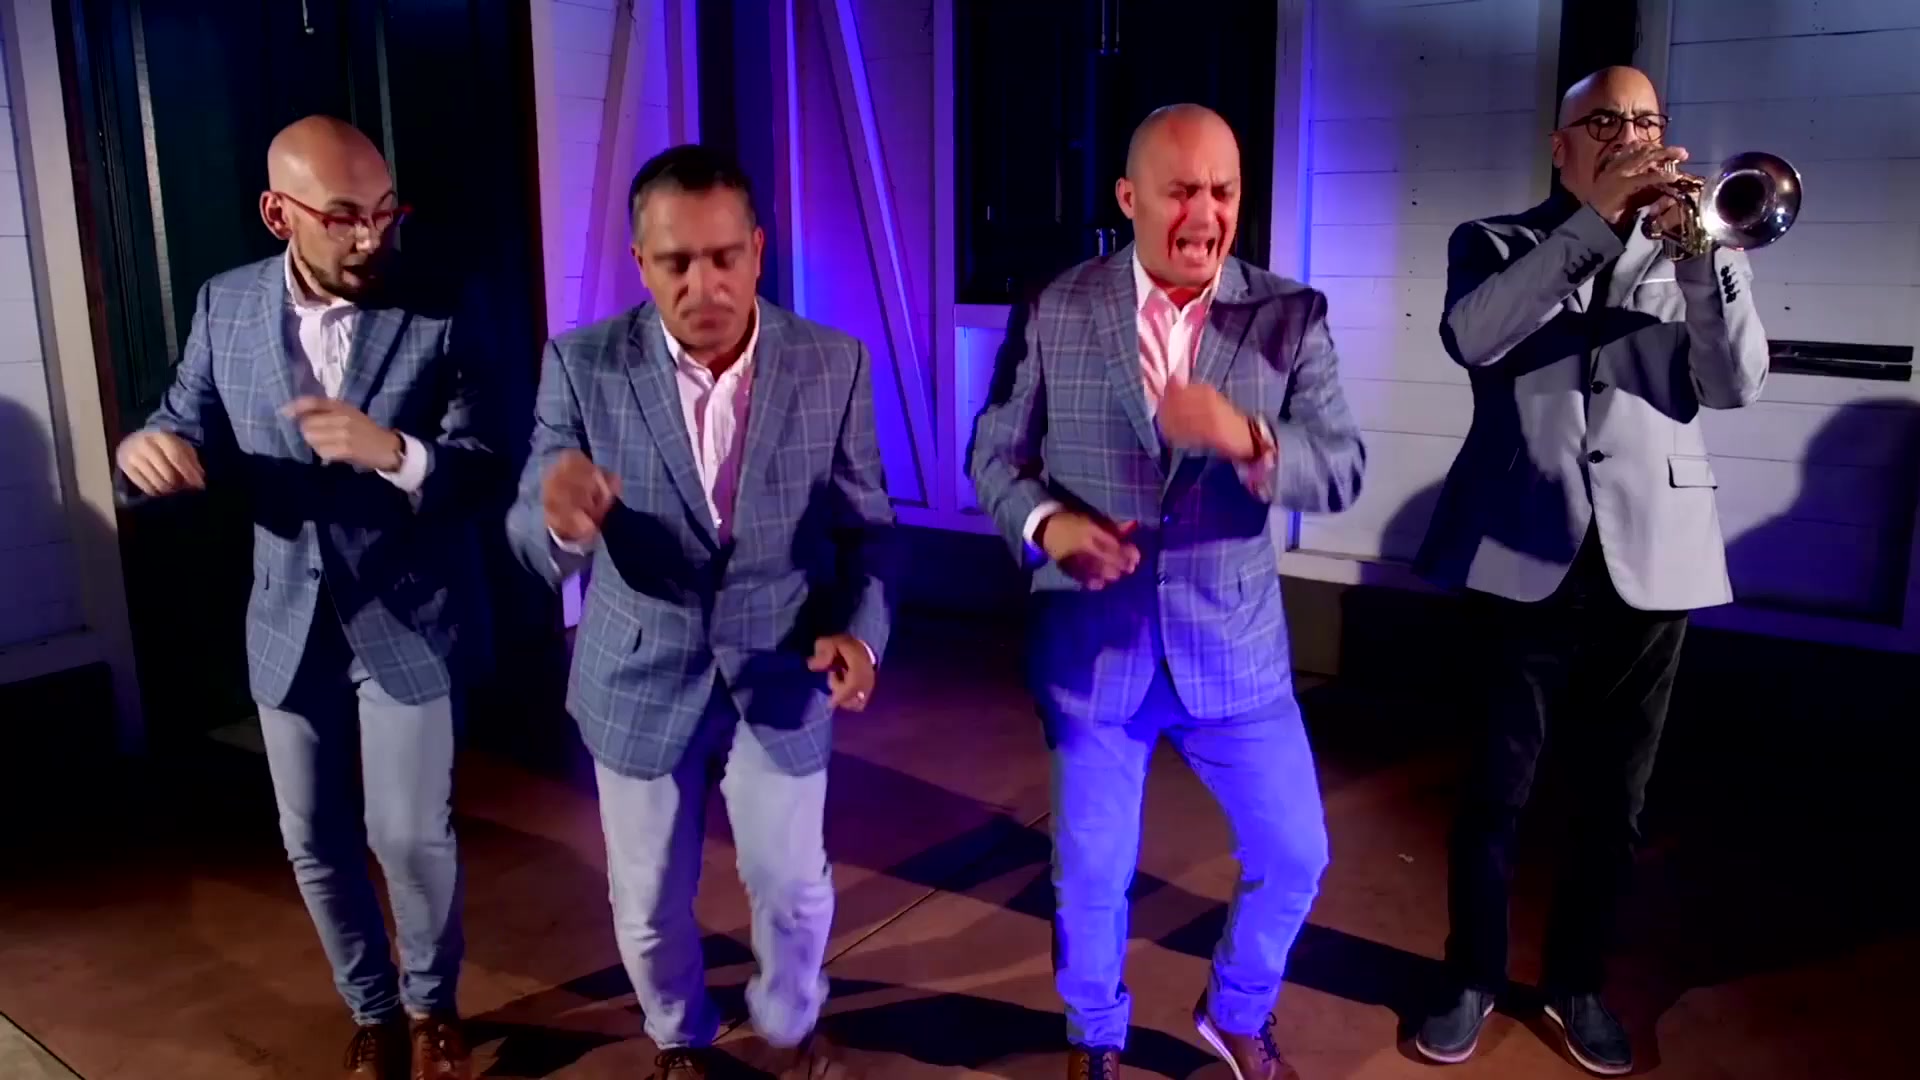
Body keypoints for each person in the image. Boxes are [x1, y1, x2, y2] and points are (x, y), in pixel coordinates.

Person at [967, 104, 1365, 1080]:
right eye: (1181, 190)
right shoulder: (1058, 306)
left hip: (1234, 649)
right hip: (1092, 647)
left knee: (1296, 855)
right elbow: (993, 454)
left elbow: (1344, 469)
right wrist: (1046, 525)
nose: (1205, 213)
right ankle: (1093, 1037)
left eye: (1223, 191)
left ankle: (1236, 1011)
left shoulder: (1290, 314)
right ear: (1129, 198)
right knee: (1090, 875)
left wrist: (1250, 437)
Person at [114, 116, 503, 1079]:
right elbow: (180, 422)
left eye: (385, 212)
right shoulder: (225, 304)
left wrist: (396, 452)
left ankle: (432, 1008)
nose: (372, 236)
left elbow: (491, 464)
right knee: (314, 841)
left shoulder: (444, 301)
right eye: (343, 217)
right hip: (289, 620)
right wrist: (142, 452)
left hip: (413, 614)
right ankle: (372, 1011)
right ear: (277, 214)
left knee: (408, 836)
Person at [506, 145, 893, 1080]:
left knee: (795, 889)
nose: (704, 285)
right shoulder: (583, 366)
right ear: (641, 263)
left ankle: (792, 1021)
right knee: (646, 902)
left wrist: (862, 633)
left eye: (724, 257)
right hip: (639, 670)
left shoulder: (832, 363)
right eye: (677, 262)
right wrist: (558, 521)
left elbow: (866, 528)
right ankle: (680, 1035)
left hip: (785, 662)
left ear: (758, 250)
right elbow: (530, 521)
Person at [1411, 66, 1769, 1076]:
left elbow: (1734, 383)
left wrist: (1701, 258)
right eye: (1606, 119)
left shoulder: (1698, 245)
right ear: (1561, 145)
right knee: (1496, 788)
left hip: (1654, 554)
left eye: (1646, 120)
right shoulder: (1493, 242)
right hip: (1522, 546)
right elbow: (1473, 337)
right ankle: (1472, 976)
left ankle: (1577, 983)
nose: (1630, 134)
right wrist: (1596, 227)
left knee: (1616, 800)